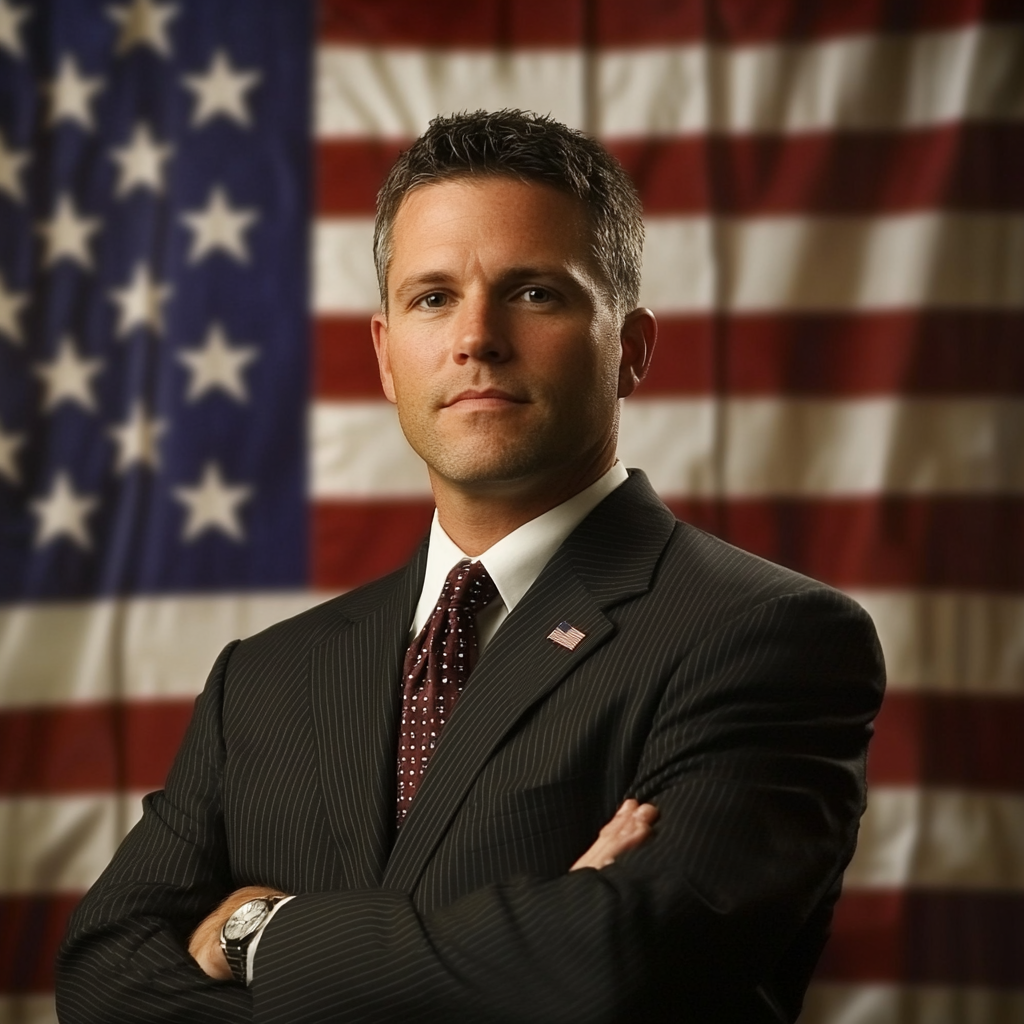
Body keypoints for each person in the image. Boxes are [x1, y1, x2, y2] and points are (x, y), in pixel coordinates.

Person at [56, 109, 884, 1023]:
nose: (476, 337)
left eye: (535, 293)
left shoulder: (764, 635)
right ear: (384, 357)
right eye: (432, 297)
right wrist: (520, 948)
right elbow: (103, 978)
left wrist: (263, 933)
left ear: (633, 350)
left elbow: (619, 959)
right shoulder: (264, 677)